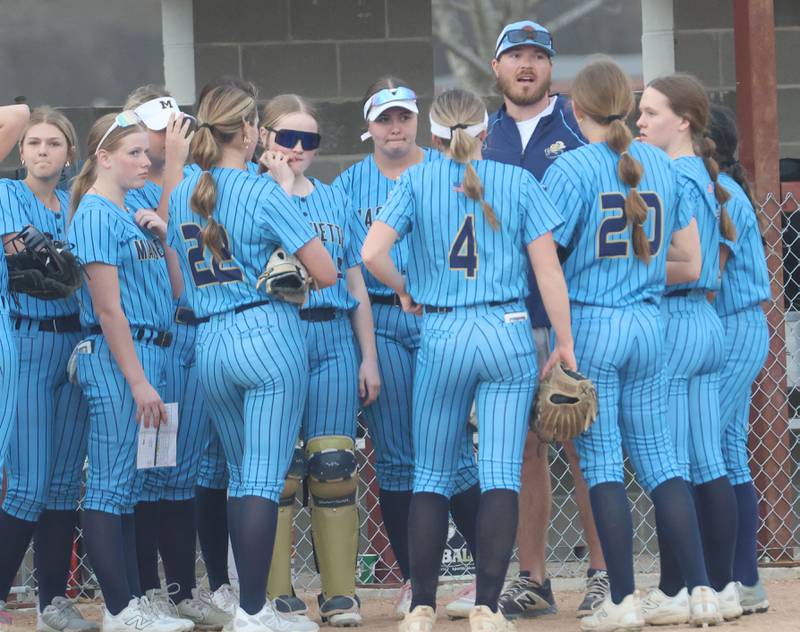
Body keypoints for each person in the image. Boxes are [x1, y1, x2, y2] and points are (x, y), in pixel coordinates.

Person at [362, 87, 574, 632]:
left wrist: (406, 288)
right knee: (499, 470)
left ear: (434, 136)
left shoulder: (415, 178)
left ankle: (424, 606)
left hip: (444, 327)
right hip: (506, 329)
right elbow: (548, 271)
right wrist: (565, 341)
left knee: (430, 474)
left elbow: (369, 254)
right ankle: (487, 605)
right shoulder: (518, 179)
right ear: (485, 132)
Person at [541, 57, 728, 631]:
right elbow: (684, 252)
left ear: (576, 110)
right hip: (649, 321)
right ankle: (702, 592)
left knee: (601, 462)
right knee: (662, 459)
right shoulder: (659, 161)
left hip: (594, 322)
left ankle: (620, 600)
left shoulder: (570, 167)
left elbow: (549, 256)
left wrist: (558, 335)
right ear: (627, 102)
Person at [167, 81, 337, 632]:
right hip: (266, 333)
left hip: (211, 339)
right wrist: (285, 190)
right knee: (261, 481)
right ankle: (253, 610)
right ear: (247, 131)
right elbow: (328, 271)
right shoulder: (263, 191)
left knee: (241, 477)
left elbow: (178, 282)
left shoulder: (182, 191)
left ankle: (250, 604)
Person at [333, 77, 481, 619]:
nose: (394, 128)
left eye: (403, 117)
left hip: (442, 317)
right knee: (396, 457)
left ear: (419, 120)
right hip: (384, 318)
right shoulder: (350, 183)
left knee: (458, 455)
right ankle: (416, 579)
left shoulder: (443, 170)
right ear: (368, 125)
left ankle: (485, 574)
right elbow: (352, 266)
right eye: (383, 119)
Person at [482, 20, 607, 617]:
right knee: (525, 450)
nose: (526, 65)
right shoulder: (483, 137)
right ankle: (533, 577)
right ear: (497, 67)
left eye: (537, 56)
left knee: (584, 442)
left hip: (569, 315)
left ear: (551, 68)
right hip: (507, 317)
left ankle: (603, 573)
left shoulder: (577, 131)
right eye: (515, 56)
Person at [259, 93, 380, 627]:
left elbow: (354, 281)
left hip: (332, 337)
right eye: (287, 137)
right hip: (278, 334)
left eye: (309, 139)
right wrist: (280, 190)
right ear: (263, 138)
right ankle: (277, 596)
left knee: (332, 465)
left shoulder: (333, 198)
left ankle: (338, 595)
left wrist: (368, 356)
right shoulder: (250, 193)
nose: (298, 148)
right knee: (280, 470)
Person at [67, 111, 191, 632]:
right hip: (123, 361)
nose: (145, 160)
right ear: (103, 157)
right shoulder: (95, 213)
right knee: (111, 488)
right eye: (134, 152)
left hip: (156, 353)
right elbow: (108, 310)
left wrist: (166, 237)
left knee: (147, 487)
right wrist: (138, 381)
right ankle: (119, 610)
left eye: (147, 152)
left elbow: (179, 290)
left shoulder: (131, 211)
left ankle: (141, 598)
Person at [118, 85, 231, 630]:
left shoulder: (195, 181)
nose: (174, 137)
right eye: (164, 130)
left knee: (181, 473)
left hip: (193, 335)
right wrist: (174, 171)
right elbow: (167, 258)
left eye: (178, 128)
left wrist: (182, 170)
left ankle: (183, 590)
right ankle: (147, 591)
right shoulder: (133, 184)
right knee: (151, 472)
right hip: (155, 344)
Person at [637, 73, 743, 622]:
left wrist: (635, 274)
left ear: (683, 120)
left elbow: (689, 262)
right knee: (708, 461)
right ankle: (722, 587)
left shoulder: (673, 172)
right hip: (705, 319)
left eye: (652, 113)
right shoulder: (701, 170)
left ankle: (677, 588)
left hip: (677, 320)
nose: (640, 121)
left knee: (670, 465)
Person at [0, 107, 96, 632]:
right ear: (20, 151)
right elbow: (30, 269)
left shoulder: (78, 201)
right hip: (29, 341)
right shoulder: (7, 195)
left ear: (69, 153)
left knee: (63, 486)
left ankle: (52, 601)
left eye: (54, 143)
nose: (42, 150)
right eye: (33, 142)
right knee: (28, 485)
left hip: (76, 348)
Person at [708, 104, 771, 614]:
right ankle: (743, 581)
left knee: (707, 448)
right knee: (728, 453)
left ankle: (725, 580)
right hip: (735, 326)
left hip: (733, 326)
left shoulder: (721, 191)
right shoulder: (717, 187)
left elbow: (710, 277)